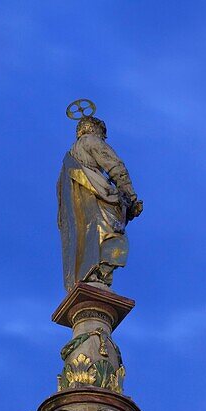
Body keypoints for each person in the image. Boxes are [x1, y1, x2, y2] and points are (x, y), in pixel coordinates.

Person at [57, 112, 142, 289]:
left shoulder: (67, 163)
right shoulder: (90, 141)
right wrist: (131, 196)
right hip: (99, 200)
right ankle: (99, 273)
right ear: (94, 129)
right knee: (111, 235)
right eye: (103, 134)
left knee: (88, 238)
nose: (103, 138)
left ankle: (90, 274)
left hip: (83, 209)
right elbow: (115, 165)